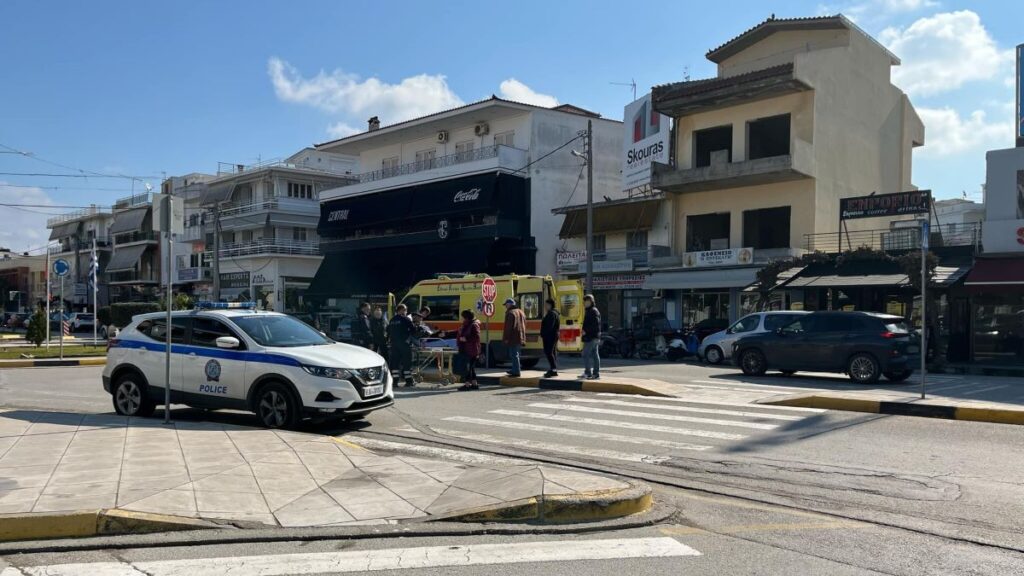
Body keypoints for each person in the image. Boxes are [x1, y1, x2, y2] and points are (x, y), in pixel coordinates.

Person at [387, 304, 416, 387]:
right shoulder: (405, 319)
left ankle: (395, 382)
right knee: (407, 363)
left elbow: (388, 331)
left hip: (394, 344)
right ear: (402, 310)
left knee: (395, 363)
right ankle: (409, 381)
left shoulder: (392, 320)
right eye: (405, 310)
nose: (406, 312)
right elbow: (413, 330)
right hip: (404, 344)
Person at [456, 309, 482, 391]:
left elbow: (476, 337)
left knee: (467, 368)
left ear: (467, 317)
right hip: (469, 348)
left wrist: (466, 339)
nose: (462, 319)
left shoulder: (473, 325)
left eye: (463, 317)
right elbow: (459, 332)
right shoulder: (467, 324)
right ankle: (474, 384)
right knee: (471, 367)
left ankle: (467, 385)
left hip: (471, 349)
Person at [502, 297, 527, 377]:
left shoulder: (510, 313)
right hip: (520, 336)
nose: (505, 306)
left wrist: (506, 338)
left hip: (513, 337)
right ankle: (515, 369)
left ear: (509, 304)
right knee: (516, 354)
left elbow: (508, 327)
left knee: (513, 354)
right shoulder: (521, 312)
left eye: (506, 304)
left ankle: (516, 371)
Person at [581, 294, 601, 380]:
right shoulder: (591, 310)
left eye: (588, 301)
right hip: (594, 336)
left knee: (585, 354)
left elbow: (595, 325)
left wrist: (586, 331)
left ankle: (588, 372)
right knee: (595, 354)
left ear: (592, 302)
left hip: (591, 337)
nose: (586, 303)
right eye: (585, 301)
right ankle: (595, 373)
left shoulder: (593, 311)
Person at [540, 298, 560, 378]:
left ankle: (553, 369)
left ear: (550, 305)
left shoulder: (551, 314)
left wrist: (544, 334)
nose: (545, 306)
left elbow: (549, 326)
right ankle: (553, 369)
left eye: (546, 305)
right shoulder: (553, 313)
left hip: (550, 336)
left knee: (549, 352)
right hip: (552, 335)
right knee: (552, 352)